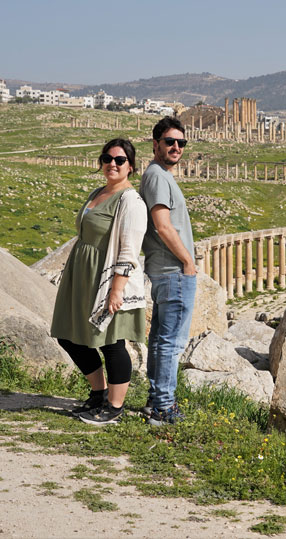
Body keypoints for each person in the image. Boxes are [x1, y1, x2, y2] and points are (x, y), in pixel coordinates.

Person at [50, 139, 148, 426]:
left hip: (107, 279)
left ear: (131, 166)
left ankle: (114, 407)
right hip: (82, 276)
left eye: (120, 160)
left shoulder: (131, 201)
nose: (112, 164)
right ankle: (98, 393)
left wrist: (117, 289)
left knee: (111, 342)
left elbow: (129, 249)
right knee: (68, 334)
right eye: (107, 158)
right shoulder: (98, 192)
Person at [139, 116, 197, 426]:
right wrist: (188, 262)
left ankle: (156, 401)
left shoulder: (157, 175)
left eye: (181, 143)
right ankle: (163, 407)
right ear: (156, 144)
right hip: (173, 271)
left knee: (162, 338)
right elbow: (162, 226)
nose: (176, 147)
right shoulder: (158, 177)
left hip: (165, 270)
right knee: (171, 341)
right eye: (170, 142)